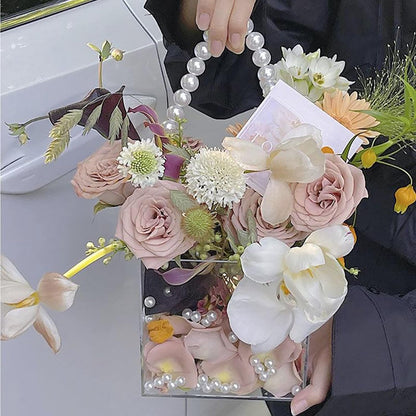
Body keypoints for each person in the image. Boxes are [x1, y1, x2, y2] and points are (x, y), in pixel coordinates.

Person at [144, 1, 416, 415]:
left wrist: (374, 343)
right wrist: (199, 13)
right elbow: (252, 62)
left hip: (370, 351)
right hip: (307, 296)